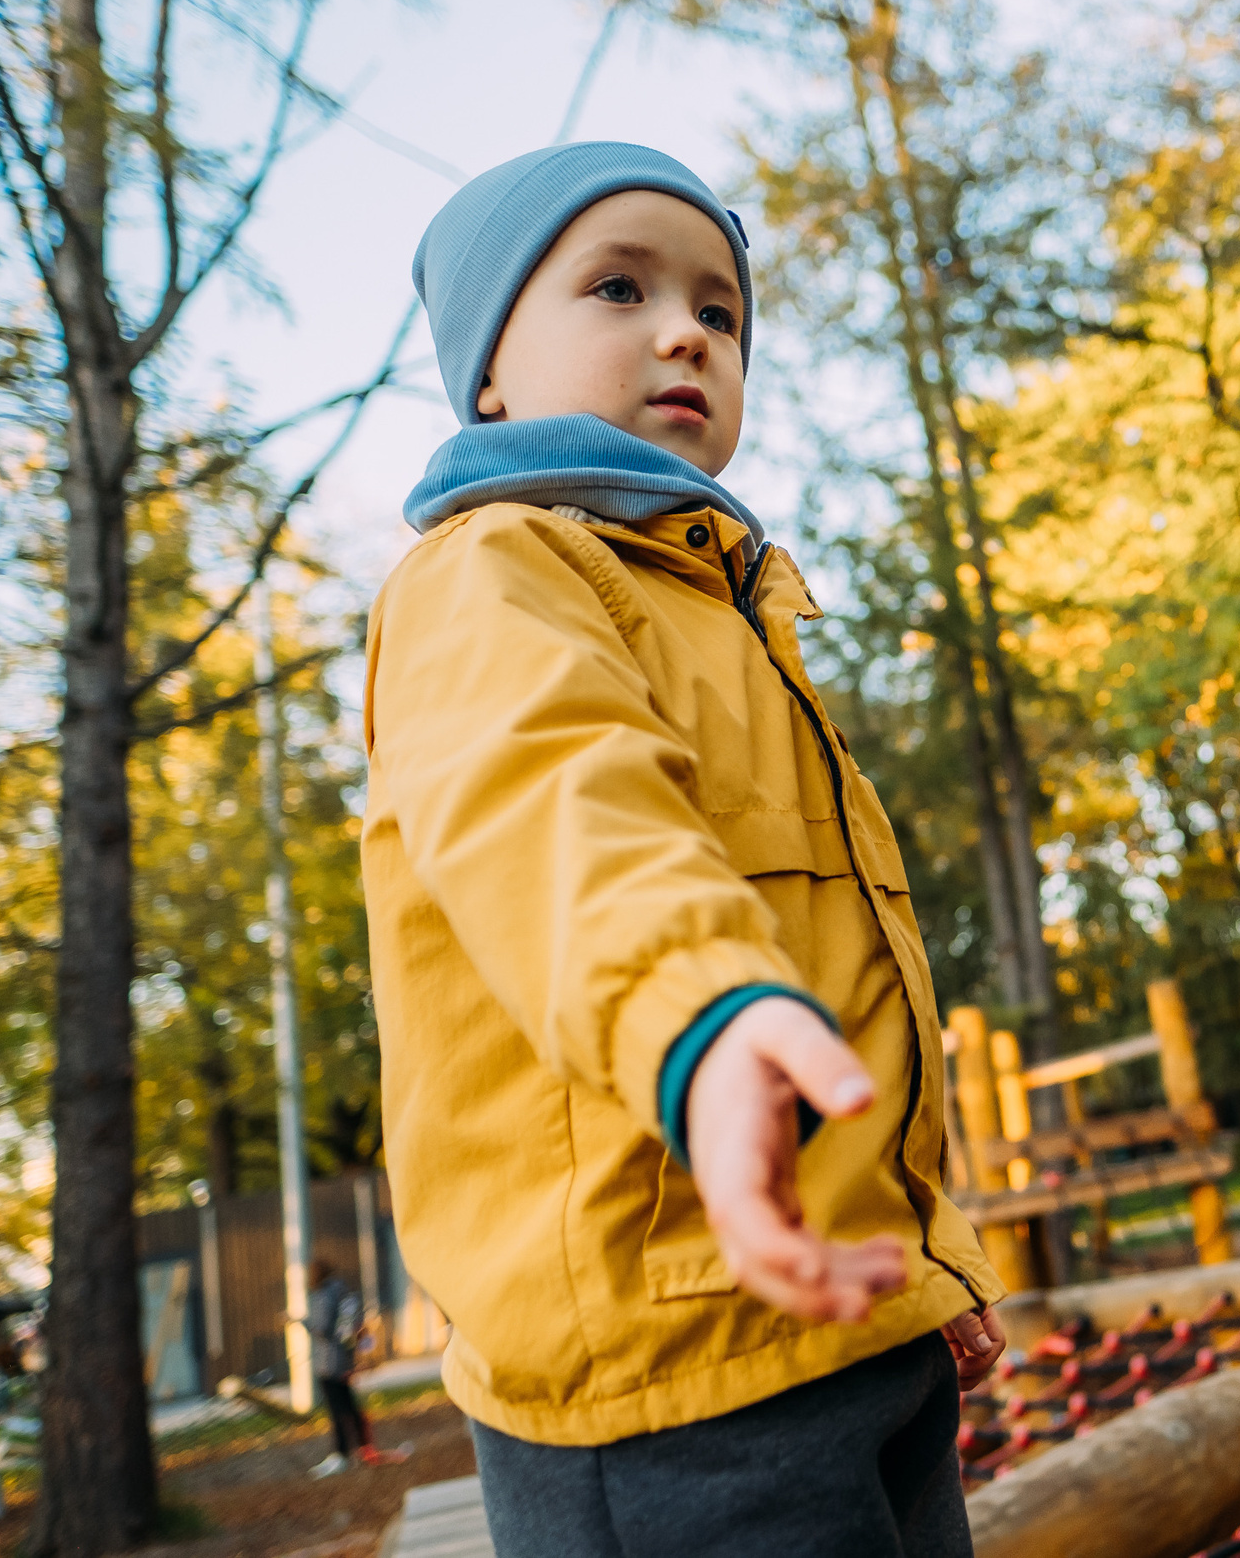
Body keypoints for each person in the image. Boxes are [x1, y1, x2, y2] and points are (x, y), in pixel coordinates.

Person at [360, 143, 1007, 1558]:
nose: (686, 332)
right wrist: (701, 1021)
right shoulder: (496, 575)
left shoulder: (732, 618)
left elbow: (846, 980)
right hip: (662, 1370)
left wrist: (922, 1259)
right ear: (488, 378)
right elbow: (559, 816)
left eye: (720, 310)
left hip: (840, 1316)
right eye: (618, 285)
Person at [303, 1260, 368, 1478]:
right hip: (344, 1359)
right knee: (349, 1405)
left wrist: (300, 1322)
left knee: (336, 1410)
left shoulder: (322, 1295)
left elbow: (322, 1328)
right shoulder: (342, 1292)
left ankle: (340, 1454)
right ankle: (363, 1447)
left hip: (328, 1362)